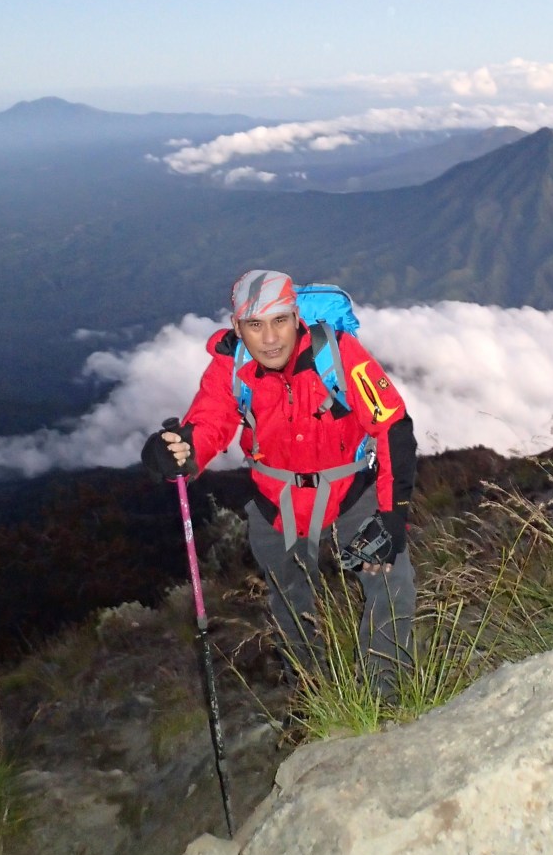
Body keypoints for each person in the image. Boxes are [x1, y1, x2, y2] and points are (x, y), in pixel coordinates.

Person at [142, 269, 417, 697]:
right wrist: (178, 452)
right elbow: (208, 423)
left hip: (349, 495)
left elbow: (392, 426)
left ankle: (388, 697)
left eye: (279, 321)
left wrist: (391, 517)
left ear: (296, 318)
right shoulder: (231, 367)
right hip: (277, 504)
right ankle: (313, 698)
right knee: (290, 605)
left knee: (390, 582)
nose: (269, 338)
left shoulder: (339, 354)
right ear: (237, 328)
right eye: (254, 325)